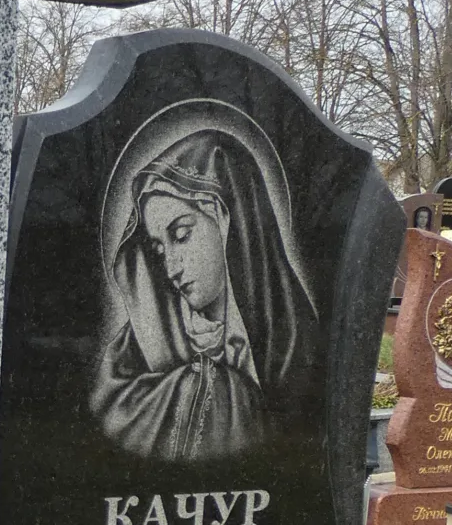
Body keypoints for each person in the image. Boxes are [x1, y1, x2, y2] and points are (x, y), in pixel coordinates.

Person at [91, 128, 318, 462]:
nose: (171, 267)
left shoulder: (296, 343)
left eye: (182, 235)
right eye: (158, 249)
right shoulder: (132, 349)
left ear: (228, 221)